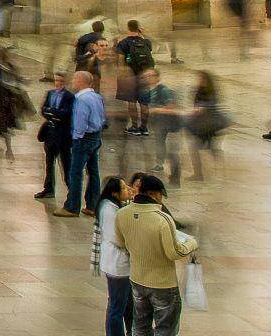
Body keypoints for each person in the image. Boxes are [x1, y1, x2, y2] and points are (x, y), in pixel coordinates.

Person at [114, 174, 196, 336]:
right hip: (163, 284)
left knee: (140, 327)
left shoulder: (122, 214)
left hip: (137, 280)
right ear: (153, 194)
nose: (161, 200)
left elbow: (122, 244)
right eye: (160, 195)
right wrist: (191, 243)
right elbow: (174, 252)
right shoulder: (162, 219)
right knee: (165, 329)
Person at [60, 70, 106, 217]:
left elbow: (80, 120)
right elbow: (102, 117)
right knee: (93, 172)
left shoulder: (81, 99)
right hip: (96, 136)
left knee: (75, 173)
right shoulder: (96, 97)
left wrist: (76, 138)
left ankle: (72, 207)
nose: (72, 81)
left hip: (83, 138)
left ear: (81, 81)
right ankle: (93, 205)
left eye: (74, 79)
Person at [94, 176, 133, 336]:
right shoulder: (109, 211)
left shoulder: (113, 207)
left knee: (123, 304)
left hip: (119, 265)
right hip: (118, 266)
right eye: (123, 188)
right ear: (115, 193)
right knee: (117, 307)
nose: (127, 190)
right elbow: (118, 239)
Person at [36, 72, 74, 199]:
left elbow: (66, 113)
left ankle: (72, 190)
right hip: (50, 134)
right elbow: (43, 110)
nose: (58, 83)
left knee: (66, 164)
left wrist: (52, 112)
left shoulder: (69, 96)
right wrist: (52, 114)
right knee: (49, 163)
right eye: (56, 80)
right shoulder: (50, 93)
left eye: (60, 81)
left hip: (63, 136)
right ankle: (49, 188)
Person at [115, 21, 156, 135]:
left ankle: (134, 127)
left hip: (130, 76)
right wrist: (143, 33)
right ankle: (144, 128)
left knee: (132, 102)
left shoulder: (123, 43)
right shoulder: (146, 42)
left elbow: (120, 61)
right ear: (138, 28)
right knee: (144, 103)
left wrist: (121, 75)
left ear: (128, 28)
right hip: (145, 76)